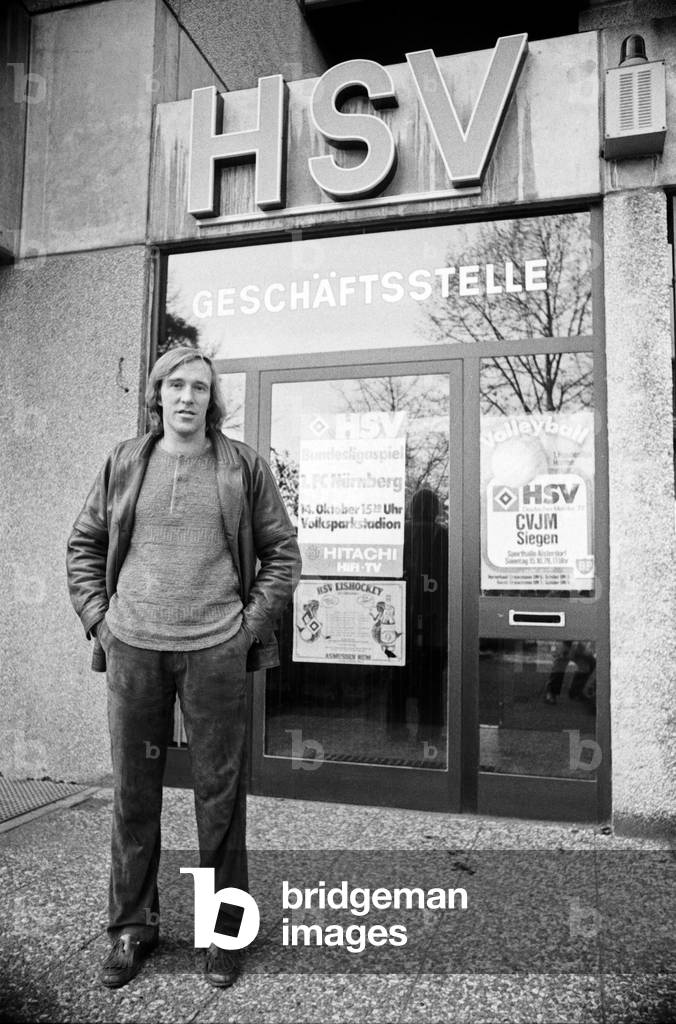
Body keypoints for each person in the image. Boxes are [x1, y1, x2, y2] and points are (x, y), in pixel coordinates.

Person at [66, 346, 301, 990]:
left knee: (219, 797)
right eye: (176, 385)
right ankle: (131, 928)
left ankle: (224, 933)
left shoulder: (242, 466)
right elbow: (84, 543)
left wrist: (247, 630)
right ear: (158, 394)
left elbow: (282, 553)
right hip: (133, 649)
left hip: (216, 650)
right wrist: (101, 622)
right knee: (133, 795)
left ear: (211, 399)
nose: (187, 397)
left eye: (199, 386)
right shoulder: (124, 462)